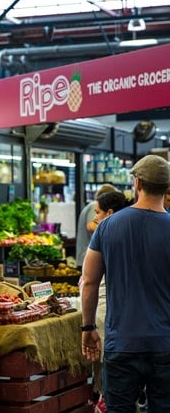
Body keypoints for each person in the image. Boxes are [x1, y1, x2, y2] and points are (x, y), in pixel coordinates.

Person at [81, 155, 170, 413]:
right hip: (164, 344)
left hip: (121, 343)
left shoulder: (107, 226)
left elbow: (89, 282)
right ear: (166, 187)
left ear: (138, 183)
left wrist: (88, 327)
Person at [82, 190, 130, 413]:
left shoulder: (106, 233)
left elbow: (91, 282)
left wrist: (88, 326)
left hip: (110, 323)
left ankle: (102, 400)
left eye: (98, 212)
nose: (94, 218)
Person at [75, 183, 117, 267]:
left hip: (86, 258)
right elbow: (91, 226)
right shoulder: (94, 206)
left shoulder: (92, 206)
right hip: (88, 259)